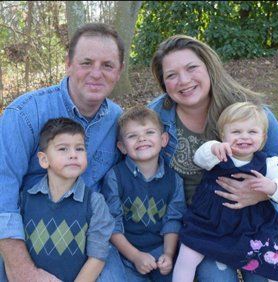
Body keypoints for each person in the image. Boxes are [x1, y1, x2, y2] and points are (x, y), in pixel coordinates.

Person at [148, 34, 278, 281]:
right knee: (217, 277)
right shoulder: (157, 117)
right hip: (203, 223)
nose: (183, 80)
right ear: (164, 83)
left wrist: (262, 192)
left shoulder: (248, 113)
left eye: (191, 68)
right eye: (171, 75)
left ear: (209, 67)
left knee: (263, 274)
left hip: (256, 219)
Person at [0, 23, 125, 281]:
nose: (96, 74)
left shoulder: (118, 121)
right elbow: (3, 189)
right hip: (30, 233)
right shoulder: (24, 115)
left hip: (91, 237)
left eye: (108, 65)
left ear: (120, 71)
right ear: (68, 63)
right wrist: (21, 268)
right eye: (86, 62)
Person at [172, 102, 278, 282]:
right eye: (236, 132)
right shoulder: (218, 154)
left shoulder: (268, 165)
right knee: (188, 253)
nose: (244, 137)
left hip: (253, 225)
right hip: (212, 221)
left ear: (263, 138)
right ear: (223, 135)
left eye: (252, 132)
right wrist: (212, 148)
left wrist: (273, 187)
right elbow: (199, 158)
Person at [20, 118, 114, 281]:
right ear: (44, 160)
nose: (73, 155)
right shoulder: (26, 199)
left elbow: (97, 257)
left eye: (79, 148)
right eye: (63, 149)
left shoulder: (94, 203)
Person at [101, 105, 186, 282]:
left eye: (149, 132)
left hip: (162, 252)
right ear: (122, 147)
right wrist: (135, 256)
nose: (142, 139)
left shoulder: (174, 180)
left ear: (163, 139)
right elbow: (111, 224)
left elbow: (173, 220)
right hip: (125, 254)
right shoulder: (115, 177)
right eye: (132, 136)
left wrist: (169, 255)